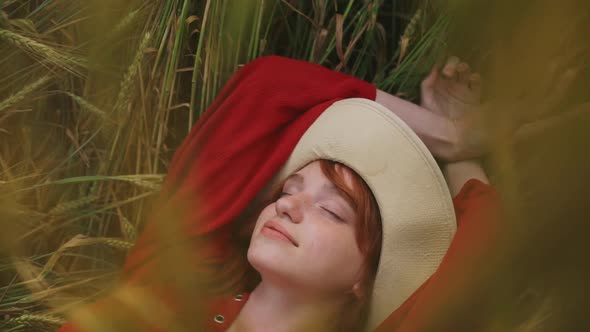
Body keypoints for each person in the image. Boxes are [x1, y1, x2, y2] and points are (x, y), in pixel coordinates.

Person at [58, 56, 497, 332]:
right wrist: (451, 136)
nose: (287, 205)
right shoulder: (165, 297)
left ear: (365, 277)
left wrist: (462, 158)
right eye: (288, 190)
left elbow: (489, 234)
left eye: (331, 210)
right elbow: (268, 84)